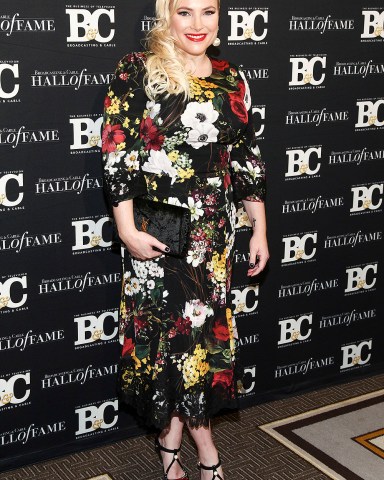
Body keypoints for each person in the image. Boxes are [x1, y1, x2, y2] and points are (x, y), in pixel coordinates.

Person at [101, 0, 269, 478]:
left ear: (221, 17)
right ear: (166, 15)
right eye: (185, 12)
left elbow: (246, 157)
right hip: (160, 237)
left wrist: (259, 226)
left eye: (208, 11)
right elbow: (117, 150)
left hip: (213, 235)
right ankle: (208, 453)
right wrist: (126, 229)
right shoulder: (139, 70)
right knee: (178, 341)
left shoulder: (231, 76)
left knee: (194, 338)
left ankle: (169, 443)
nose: (198, 24)